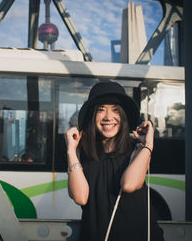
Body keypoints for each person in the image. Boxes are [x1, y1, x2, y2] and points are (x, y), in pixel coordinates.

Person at [65, 81, 164, 241]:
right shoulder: (81, 153)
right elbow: (80, 197)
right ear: (92, 115)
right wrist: (71, 150)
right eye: (101, 110)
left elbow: (129, 184)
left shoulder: (138, 149)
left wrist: (149, 144)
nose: (108, 117)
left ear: (122, 116)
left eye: (115, 110)